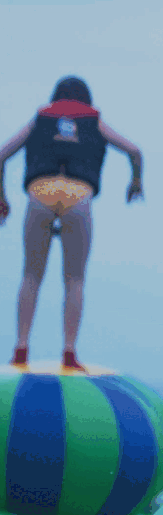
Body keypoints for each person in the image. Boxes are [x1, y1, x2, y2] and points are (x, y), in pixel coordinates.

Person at [0, 76, 145, 372]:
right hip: (78, 198)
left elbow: (1, 155)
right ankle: (69, 353)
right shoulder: (96, 121)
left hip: (39, 195)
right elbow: (134, 152)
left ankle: (20, 350)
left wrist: (2, 198)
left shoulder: (39, 118)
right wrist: (135, 181)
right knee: (74, 279)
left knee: (31, 275)